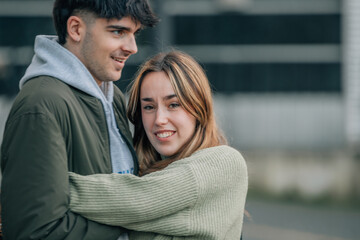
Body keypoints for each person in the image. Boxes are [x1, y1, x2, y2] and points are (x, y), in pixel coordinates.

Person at [0, 0, 158, 239]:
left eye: (134, 33)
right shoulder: (41, 106)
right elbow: (36, 232)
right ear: (75, 29)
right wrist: (135, 220)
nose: (132, 47)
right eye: (118, 32)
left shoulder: (111, 95)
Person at [68, 51, 248, 240]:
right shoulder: (138, 172)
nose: (159, 119)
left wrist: (50, 189)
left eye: (173, 104)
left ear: (199, 107)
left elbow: (140, 201)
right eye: (149, 107)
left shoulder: (225, 162)